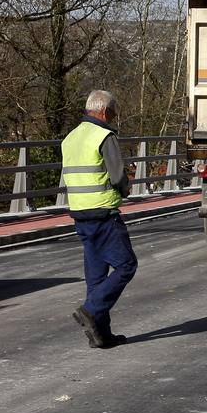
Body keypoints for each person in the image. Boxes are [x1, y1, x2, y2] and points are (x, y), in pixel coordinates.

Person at [61, 89, 137, 348]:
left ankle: (100, 335)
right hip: (104, 212)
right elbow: (116, 177)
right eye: (113, 114)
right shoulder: (104, 136)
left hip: (81, 214)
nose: (113, 120)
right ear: (104, 112)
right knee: (126, 265)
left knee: (96, 276)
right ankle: (91, 310)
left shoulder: (70, 138)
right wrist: (126, 188)